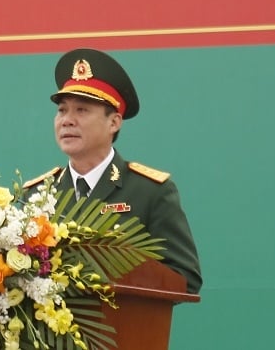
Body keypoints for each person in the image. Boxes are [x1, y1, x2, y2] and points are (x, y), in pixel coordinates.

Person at [31, 48, 202, 294]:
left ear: (114, 122)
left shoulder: (150, 192)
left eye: (82, 110)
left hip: (122, 329)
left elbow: (185, 278)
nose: (67, 120)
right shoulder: (37, 195)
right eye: (62, 110)